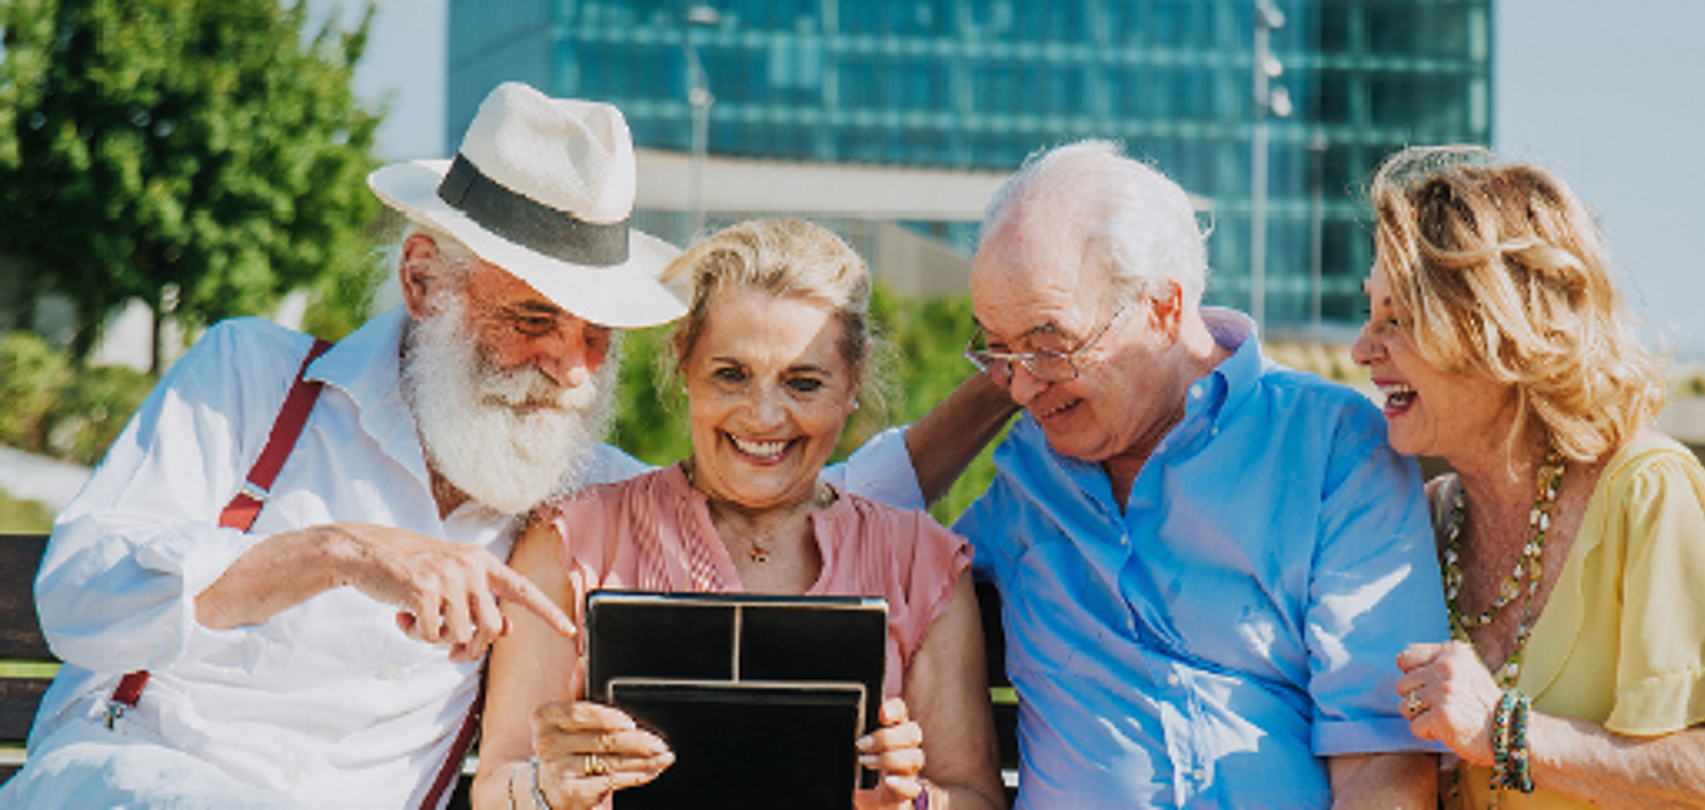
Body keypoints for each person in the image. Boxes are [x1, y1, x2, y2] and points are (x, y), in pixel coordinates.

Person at [2, 83, 993, 809]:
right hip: (136, 783)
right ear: (425, 280)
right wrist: (338, 554)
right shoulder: (252, 379)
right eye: (533, 318)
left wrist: (1015, 378)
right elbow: (77, 597)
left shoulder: (581, 491)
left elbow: (782, 477)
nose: (567, 367)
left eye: (594, 333)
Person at [947, 139, 1446, 808]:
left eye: (1048, 346)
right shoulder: (1026, 477)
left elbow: (1383, 766)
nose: (1017, 391)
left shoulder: (1332, 447)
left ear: (1162, 308)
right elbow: (831, 526)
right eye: (998, 350)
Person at [1351, 145, 1705, 809]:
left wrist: (1502, 732)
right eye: (1370, 312)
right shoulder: (1426, 523)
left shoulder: (1651, 493)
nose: (1361, 349)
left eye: (1396, 320)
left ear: (1496, 331)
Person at [472, 218, 1006, 810]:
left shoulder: (921, 565)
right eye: (731, 375)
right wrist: (549, 786)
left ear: (853, 380)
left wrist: (911, 803)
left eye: (803, 384)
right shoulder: (571, 542)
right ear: (684, 361)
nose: (763, 417)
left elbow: (975, 797)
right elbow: (496, 784)